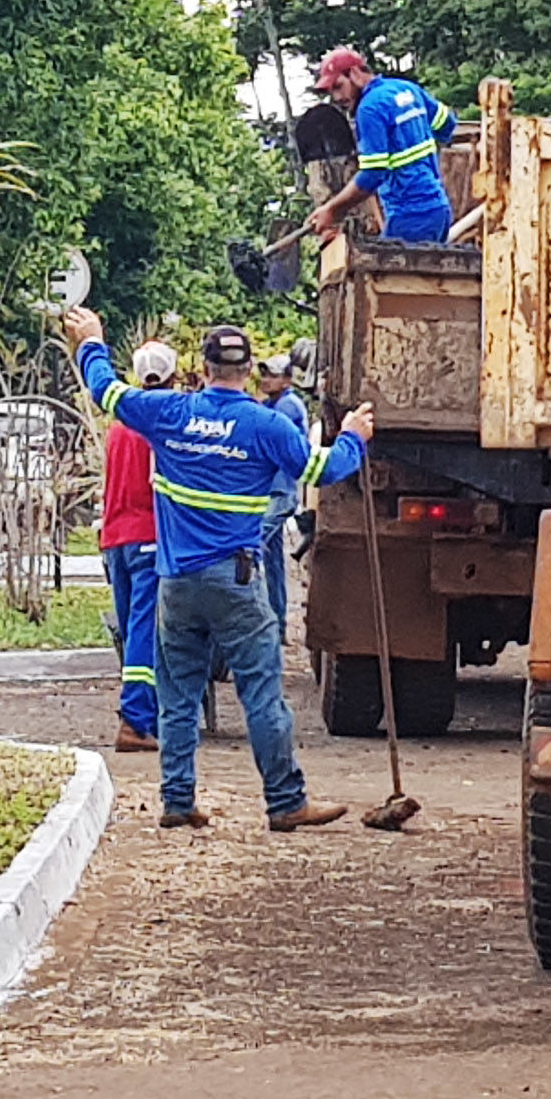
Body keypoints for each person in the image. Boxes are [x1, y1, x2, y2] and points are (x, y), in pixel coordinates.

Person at [64, 307, 376, 831]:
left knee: (178, 694)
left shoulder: (167, 413)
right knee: (260, 690)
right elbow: (324, 469)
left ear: (203, 368)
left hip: (176, 582)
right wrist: (353, 436)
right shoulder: (265, 425)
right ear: (249, 369)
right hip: (235, 581)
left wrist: (92, 340)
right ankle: (284, 801)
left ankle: (178, 800)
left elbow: (106, 391)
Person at [98, 340, 173, 752]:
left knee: (131, 630)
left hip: (116, 539)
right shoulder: (161, 424)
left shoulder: (118, 426)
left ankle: (141, 710)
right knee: (146, 629)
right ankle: (137, 718)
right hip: (148, 537)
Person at [301, 47, 458, 244]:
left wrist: (331, 210)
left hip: (409, 216)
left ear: (355, 73)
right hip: (438, 211)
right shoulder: (406, 89)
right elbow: (447, 125)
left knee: (387, 273)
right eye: (331, 92)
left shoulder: (369, 109)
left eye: (338, 86)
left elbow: (373, 173)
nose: (337, 98)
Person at [251, 348, 319, 639]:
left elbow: (259, 431)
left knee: (250, 546)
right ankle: (277, 623)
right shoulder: (274, 404)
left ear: (288, 380)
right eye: (264, 374)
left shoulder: (288, 407)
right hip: (273, 488)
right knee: (273, 560)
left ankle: (259, 622)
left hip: (280, 490)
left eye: (273, 375)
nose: (266, 380)